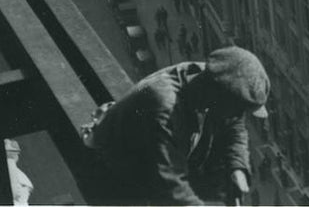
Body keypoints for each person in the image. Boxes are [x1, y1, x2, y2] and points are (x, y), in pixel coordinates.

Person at [87, 48, 269, 206]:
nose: (238, 115)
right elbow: (169, 182)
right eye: (237, 109)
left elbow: (234, 125)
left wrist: (237, 168)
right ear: (220, 98)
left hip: (161, 160)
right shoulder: (165, 106)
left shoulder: (209, 79)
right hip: (117, 171)